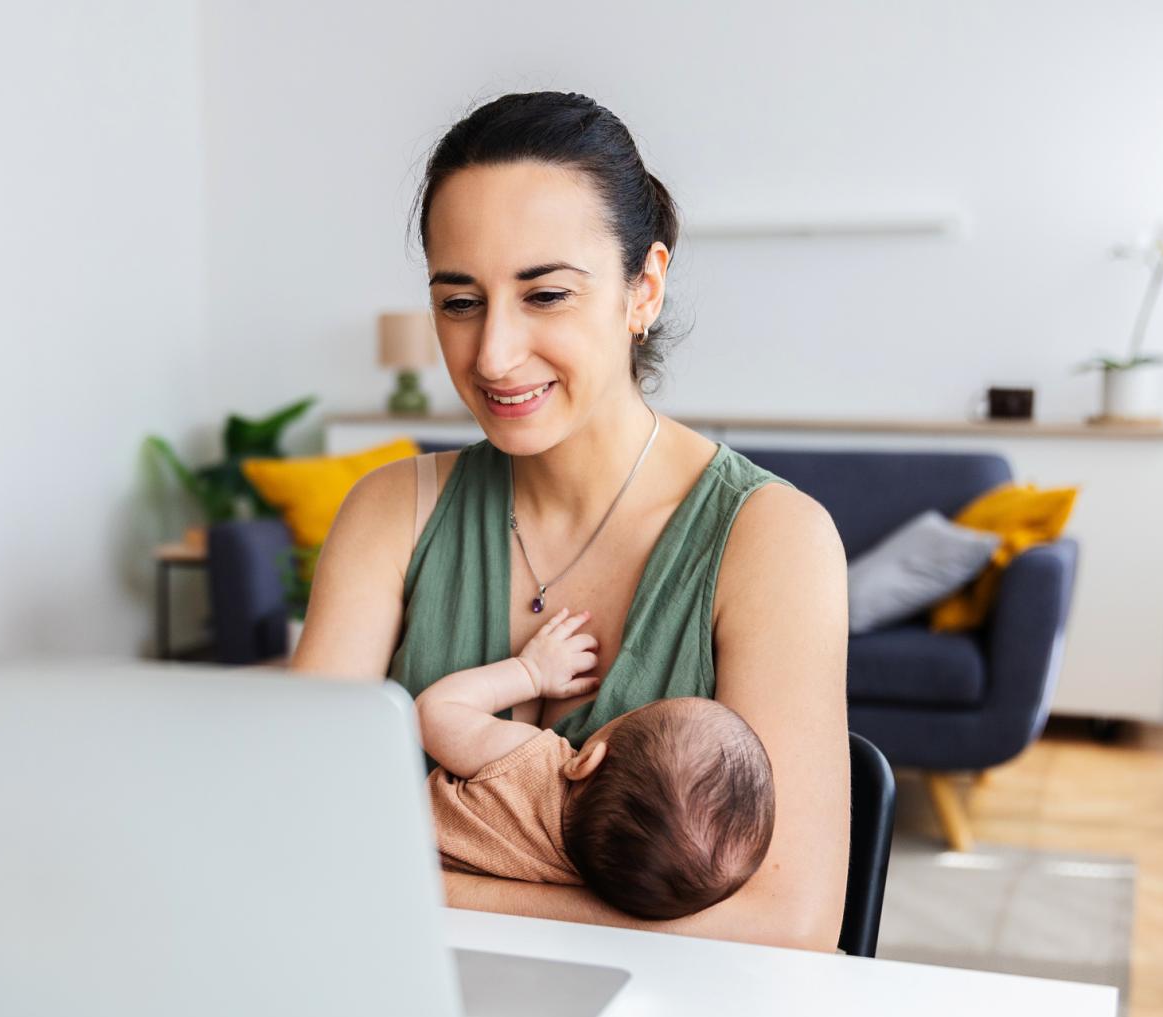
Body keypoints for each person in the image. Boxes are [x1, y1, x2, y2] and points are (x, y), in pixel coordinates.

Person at [293, 90, 849, 951]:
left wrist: (418, 892)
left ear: (644, 289)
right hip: (391, 1013)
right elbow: (293, 824)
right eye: (460, 301)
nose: (493, 355)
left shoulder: (773, 540)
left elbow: (790, 924)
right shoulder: (387, 513)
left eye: (545, 294)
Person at [418, 606, 776, 922]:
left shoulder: (527, 762)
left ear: (586, 762)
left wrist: (529, 673)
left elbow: (432, 713)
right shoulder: (584, 881)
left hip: (382, 841)